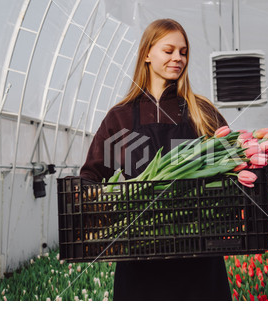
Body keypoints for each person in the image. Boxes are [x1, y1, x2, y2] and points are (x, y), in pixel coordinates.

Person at [80, 19, 232, 301]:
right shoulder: (121, 117)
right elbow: (92, 176)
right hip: (140, 261)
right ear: (147, 54)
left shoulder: (202, 113)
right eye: (169, 50)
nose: (178, 58)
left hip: (199, 259)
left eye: (183, 52)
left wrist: (261, 174)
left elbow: (234, 166)